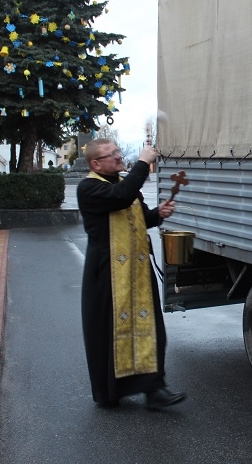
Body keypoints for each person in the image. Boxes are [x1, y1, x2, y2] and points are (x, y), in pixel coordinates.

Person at [76, 138, 186, 410]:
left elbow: (135, 216)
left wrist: (157, 214)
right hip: (107, 275)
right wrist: (143, 161)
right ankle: (111, 391)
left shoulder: (122, 181)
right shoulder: (88, 187)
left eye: (116, 151)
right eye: (109, 154)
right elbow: (120, 198)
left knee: (151, 329)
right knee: (108, 332)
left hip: (136, 270)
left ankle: (154, 389)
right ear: (95, 163)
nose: (116, 156)